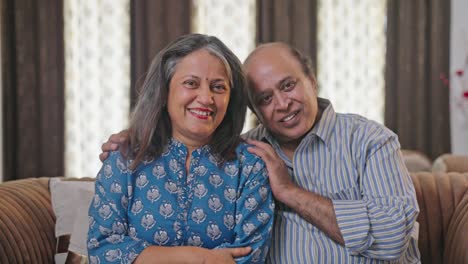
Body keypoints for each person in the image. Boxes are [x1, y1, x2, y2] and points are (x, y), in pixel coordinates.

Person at [101, 42, 421, 263]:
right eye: (265, 99)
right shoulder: (243, 154)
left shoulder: (369, 140)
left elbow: (392, 236)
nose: (282, 104)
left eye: (288, 86)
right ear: (253, 109)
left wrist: (289, 192)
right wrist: (142, 136)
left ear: (311, 80)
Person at [88, 34, 274, 264]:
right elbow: (102, 249)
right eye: (191, 83)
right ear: (165, 91)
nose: (206, 98)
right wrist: (199, 258)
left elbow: (249, 256)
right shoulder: (124, 157)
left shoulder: (250, 165)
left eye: (218, 87)